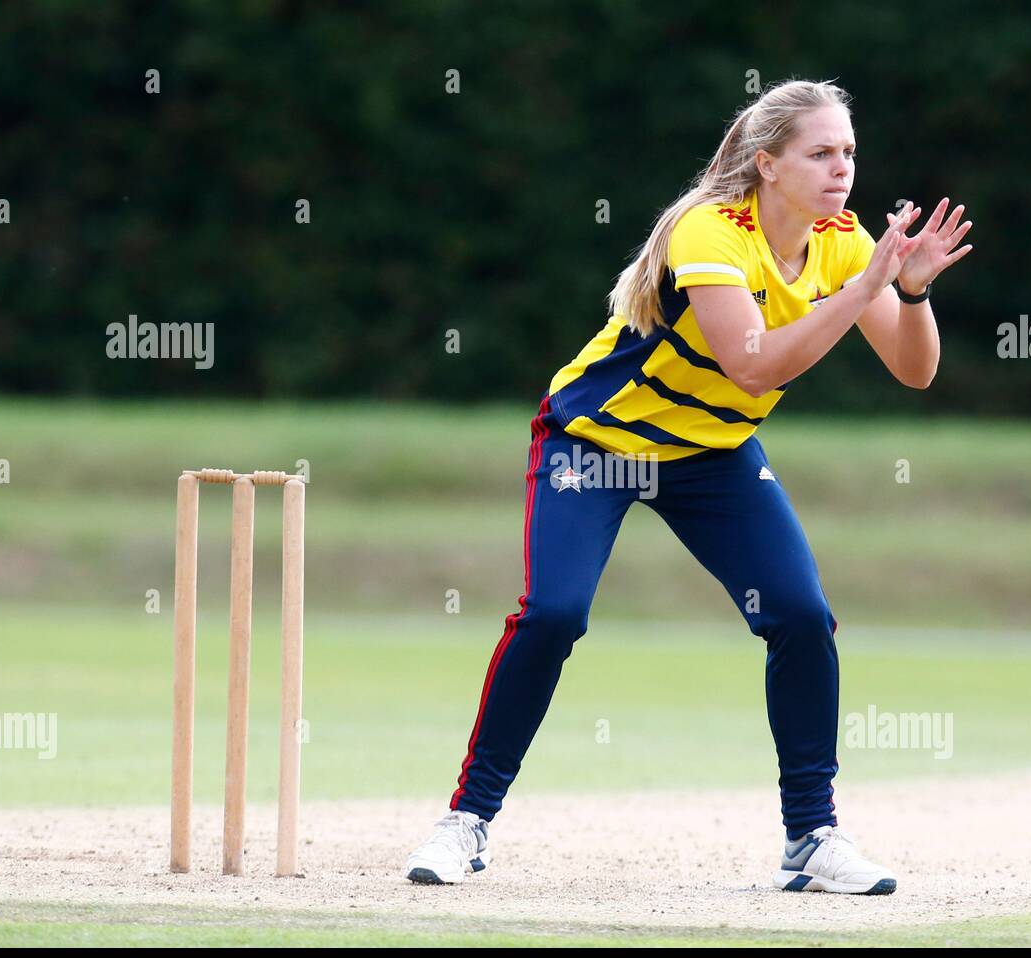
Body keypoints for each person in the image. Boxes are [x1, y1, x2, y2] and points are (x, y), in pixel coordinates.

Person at [404, 78, 972, 894]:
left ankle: (812, 837)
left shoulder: (846, 243)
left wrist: (908, 291)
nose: (841, 168)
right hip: (598, 441)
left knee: (803, 615)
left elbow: (916, 371)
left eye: (848, 151)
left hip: (709, 453)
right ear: (768, 164)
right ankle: (467, 820)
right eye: (820, 153)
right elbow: (753, 365)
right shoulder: (714, 230)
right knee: (555, 613)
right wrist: (864, 287)